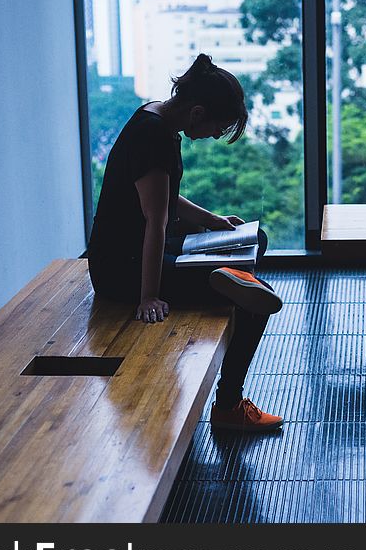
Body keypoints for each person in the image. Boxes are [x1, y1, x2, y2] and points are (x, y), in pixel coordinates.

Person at [87, 53, 284, 432]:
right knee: (257, 300)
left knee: (253, 238)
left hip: (137, 248)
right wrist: (148, 296)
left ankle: (221, 271)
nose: (213, 136)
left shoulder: (153, 116)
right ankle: (228, 408)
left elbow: (160, 197)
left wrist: (213, 222)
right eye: (217, 127)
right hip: (124, 267)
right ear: (197, 112)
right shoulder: (155, 137)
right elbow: (154, 221)